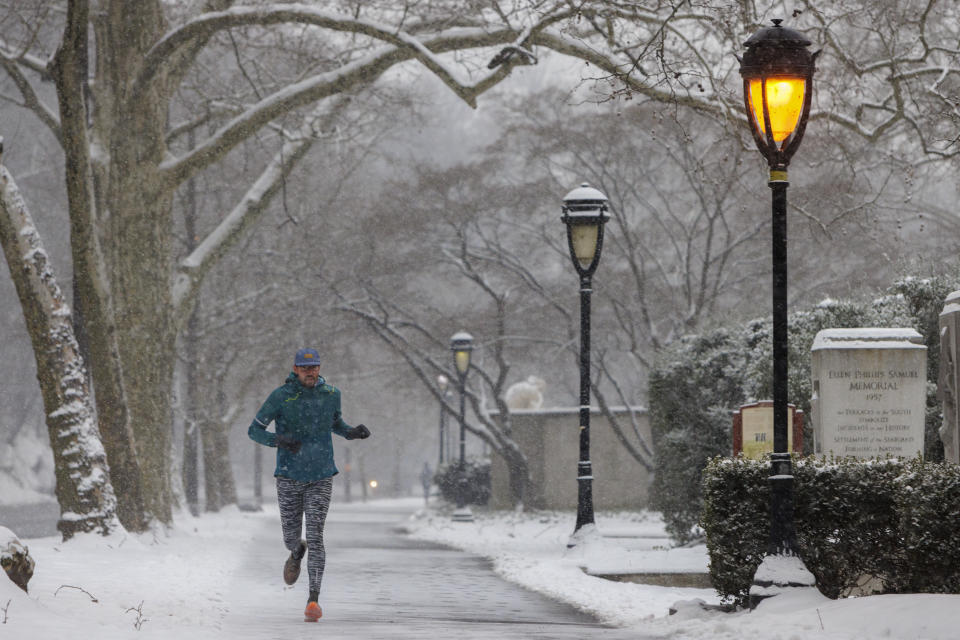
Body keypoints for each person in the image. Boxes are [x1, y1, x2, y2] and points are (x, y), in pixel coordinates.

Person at [248, 348, 371, 623]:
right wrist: (278, 441)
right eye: (305, 368)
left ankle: (313, 600)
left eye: (314, 367)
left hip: (321, 474)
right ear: (295, 369)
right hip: (289, 476)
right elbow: (253, 430)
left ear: (319, 367)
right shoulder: (280, 396)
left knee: (316, 536)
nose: (310, 372)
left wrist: (350, 432)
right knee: (292, 536)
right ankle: (295, 551)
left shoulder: (331, 394)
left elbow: (335, 423)